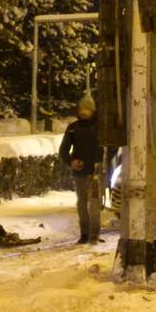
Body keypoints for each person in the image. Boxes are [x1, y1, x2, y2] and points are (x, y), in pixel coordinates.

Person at [60, 94, 103, 244]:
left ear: (93, 110)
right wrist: (71, 161)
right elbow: (63, 150)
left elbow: (110, 148)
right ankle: (84, 233)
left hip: (97, 172)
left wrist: (103, 163)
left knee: (95, 204)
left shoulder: (100, 128)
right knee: (82, 203)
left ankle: (94, 234)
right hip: (80, 172)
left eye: (88, 109)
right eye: (82, 109)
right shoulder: (73, 129)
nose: (85, 112)